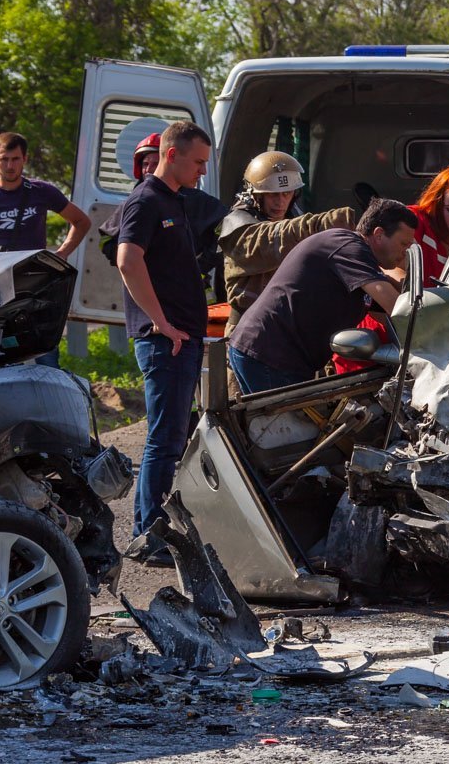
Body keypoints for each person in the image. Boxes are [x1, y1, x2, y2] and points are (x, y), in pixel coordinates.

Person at [115, 120, 212, 566]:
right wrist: (162, 324)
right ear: (171, 155)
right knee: (163, 440)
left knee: (171, 437)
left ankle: (152, 530)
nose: (201, 172)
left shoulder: (176, 201)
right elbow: (127, 260)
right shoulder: (146, 200)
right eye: (197, 163)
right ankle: (147, 536)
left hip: (184, 338)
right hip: (165, 342)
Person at [226, 198, 417, 393]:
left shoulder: (357, 261)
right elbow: (398, 308)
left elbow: (391, 318)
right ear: (378, 234)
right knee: (284, 423)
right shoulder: (348, 246)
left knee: (279, 422)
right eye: (403, 243)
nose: (405, 252)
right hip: (271, 356)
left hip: (272, 355)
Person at [0, 131, 91, 367]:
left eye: (15, 159)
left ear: (25, 159)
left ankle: (47, 396)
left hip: (37, 284)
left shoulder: (42, 191)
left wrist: (62, 253)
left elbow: (82, 222)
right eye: (4, 159)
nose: (10, 166)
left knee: (44, 350)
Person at [331, 165, 449, 374]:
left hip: (442, 349)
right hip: (379, 347)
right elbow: (388, 267)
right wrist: (406, 292)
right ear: (437, 205)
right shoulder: (412, 223)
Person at [218, 151, 356, 333]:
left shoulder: (293, 219)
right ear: (256, 195)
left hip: (290, 328)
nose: (280, 202)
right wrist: (322, 224)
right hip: (250, 329)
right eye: (272, 194)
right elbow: (273, 240)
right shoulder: (238, 227)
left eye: (287, 193)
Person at [99, 132, 228, 298]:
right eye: (145, 163)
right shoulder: (139, 201)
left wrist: (200, 265)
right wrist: (143, 267)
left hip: (194, 293)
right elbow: (106, 240)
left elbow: (229, 229)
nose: (149, 169)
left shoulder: (197, 201)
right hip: (150, 293)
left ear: (168, 160)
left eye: (155, 163)